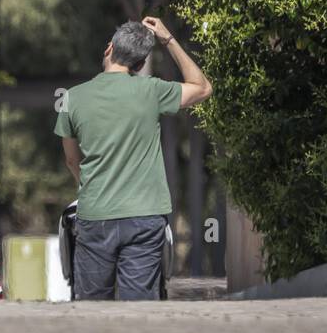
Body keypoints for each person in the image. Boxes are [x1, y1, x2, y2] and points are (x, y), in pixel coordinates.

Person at [54, 17, 212, 300]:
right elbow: (202, 87)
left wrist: (88, 186)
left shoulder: (70, 98)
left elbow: (70, 160)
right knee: (137, 309)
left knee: (91, 307)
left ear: (108, 48)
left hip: (95, 215)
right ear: (139, 65)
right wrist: (169, 40)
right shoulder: (151, 90)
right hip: (145, 217)